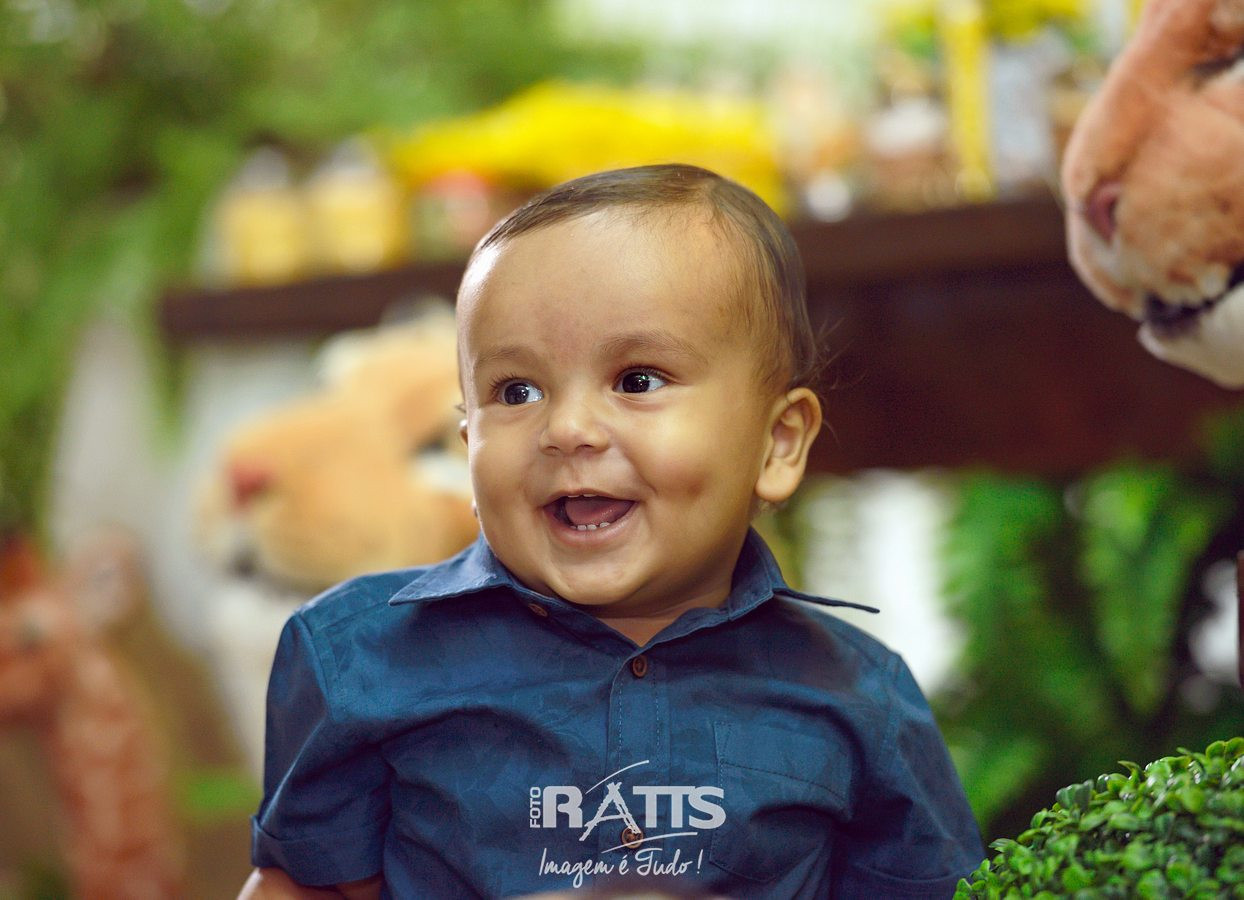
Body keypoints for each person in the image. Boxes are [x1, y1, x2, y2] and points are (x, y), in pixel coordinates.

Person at [239, 164, 985, 899]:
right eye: (516, 391)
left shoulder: (859, 698)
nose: (567, 429)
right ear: (468, 442)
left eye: (637, 380)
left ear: (777, 443)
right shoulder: (358, 661)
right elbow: (300, 888)